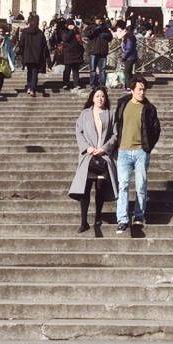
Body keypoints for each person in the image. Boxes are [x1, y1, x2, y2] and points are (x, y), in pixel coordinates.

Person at [112, 77, 161, 233]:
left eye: (144, 89)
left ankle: (139, 216)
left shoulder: (149, 108)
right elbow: (117, 124)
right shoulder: (122, 104)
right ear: (132, 90)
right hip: (123, 151)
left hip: (141, 151)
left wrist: (148, 147)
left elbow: (156, 129)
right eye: (139, 89)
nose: (142, 92)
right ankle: (122, 219)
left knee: (141, 185)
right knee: (123, 185)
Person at [70, 87, 118, 234]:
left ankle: (98, 215)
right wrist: (87, 148)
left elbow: (115, 135)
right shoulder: (85, 114)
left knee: (100, 188)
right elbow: (79, 132)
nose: (100, 98)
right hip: (88, 156)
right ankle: (84, 221)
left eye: (102, 96)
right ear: (92, 98)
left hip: (103, 156)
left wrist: (104, 148)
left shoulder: (110, 115)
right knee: (84, 189)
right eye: (97, 96)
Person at [17, 18, 48, 97]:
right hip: (37, 56)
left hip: (27, 56)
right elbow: (44, 46)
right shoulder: (40, 33)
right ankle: (32, 89)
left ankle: (29, 86)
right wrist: (46, 57)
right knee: (34, 73)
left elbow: (21, 44)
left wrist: (20, 53)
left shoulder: (25, 32)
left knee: (29, 72)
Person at [85, 16, 113, 89]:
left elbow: (110, 37)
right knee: (93, 69)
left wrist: (105, 35)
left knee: (102, 69)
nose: (99, 21)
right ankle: (92, 84)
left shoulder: (105, 28)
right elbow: (87, 34)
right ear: (95, 20)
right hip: (93, 51)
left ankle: (102, 84)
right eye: (97, 20)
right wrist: (95, 29)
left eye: (100, 20)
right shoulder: (90, 27)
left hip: (103, 52)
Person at [61, 20, 85, 90]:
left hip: (76, 54)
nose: (71, 26)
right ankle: (65, 83)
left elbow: (80, 41)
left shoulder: (76, 31)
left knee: (75, 70)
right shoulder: (64, 31)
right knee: (67, 70)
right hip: (68, 54)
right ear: (67, 25)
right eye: (70, 25)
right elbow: (66, 38)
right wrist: (71, 31)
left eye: (72, 25)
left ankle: (76, 84)